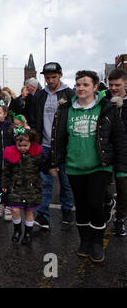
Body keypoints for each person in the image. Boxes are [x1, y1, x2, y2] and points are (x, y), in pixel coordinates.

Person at [49, 70, 127, 262]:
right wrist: (54, 162)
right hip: (74, 166)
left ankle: (97, 243)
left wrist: (122, 168)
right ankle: (85, 240)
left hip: (100, 166)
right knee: (81, 206)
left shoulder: (107, 107)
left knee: (95, 204)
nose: (81, 88)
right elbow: (58, 138)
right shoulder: (66, 108)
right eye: (78, 84)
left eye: (85, 84)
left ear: (95, 87)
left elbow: (119, 138)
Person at [31, 62, 75, 229]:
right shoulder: (40, 96)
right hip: (44, 144)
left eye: (53, 77)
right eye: (47, 78)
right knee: (44, 182)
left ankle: (67, 210)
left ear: (61, 75)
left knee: (65, 181)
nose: (50, 81)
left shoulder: (70, 94)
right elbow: (35, 119)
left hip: (64, 146)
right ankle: (43, 216)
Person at [2, 127, 47, 245]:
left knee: (28, 212)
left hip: (31, 187)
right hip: (15, 187)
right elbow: (6, 171)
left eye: (25, 145)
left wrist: (51, 166)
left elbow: (44, 166)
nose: (22, 148)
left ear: (30, 143)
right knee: (15, 210)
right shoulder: (11, 154)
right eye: (20, 145)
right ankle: (17, 231)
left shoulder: (36, 155)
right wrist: (5, 184)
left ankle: (28, 233)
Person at [106, 68, 127, 236]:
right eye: (111, 84)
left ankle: (119, 219)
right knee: (102, 186)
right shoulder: (104, 101)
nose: (113, 88)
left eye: (117, 85)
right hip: (105, 151)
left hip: (124, 153)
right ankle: (108, 202)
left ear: (125, 84)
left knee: (123, 188)